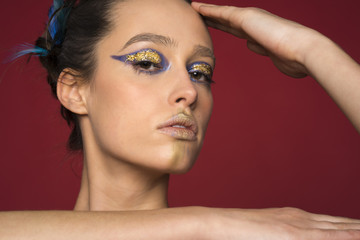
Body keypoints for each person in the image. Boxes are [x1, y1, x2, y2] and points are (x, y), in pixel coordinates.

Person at [1, 0, 360, 239]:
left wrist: (312, 49)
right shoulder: (234, 229)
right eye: (146, 62)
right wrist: (203, 224)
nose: (189, 91)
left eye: (200, 71)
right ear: (75, 90)